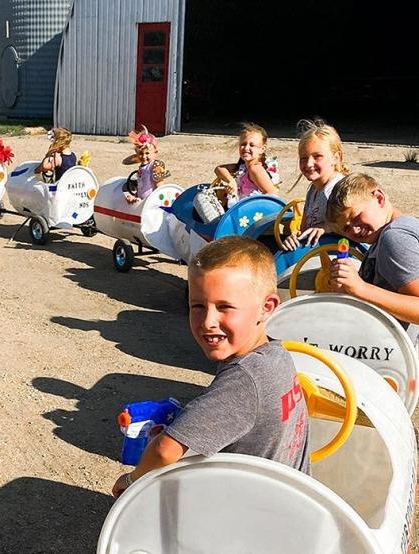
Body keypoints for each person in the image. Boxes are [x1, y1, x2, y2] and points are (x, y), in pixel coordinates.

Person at [112, 236, 310, 498]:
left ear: (266, 308)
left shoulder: (244, 379)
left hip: (252, 518)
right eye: (198, 306)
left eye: (225, 307)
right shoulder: (276, 354)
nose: (208, 321)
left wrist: (131, 480)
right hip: (290, 500)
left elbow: (165, 451)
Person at [326, 173, 419, 338]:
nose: (354, 230)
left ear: (379, 198)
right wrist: (347, 288)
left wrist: (361, 288)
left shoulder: (395, 238)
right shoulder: (383, 236)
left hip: (403, 357)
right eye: (346, 228)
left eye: (356, 217)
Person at [282, 120, 348, 250]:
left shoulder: (339, 190)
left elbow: (357, 230)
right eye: (304, 158)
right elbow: (305, 229)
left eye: (317, 156)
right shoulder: (313, 189)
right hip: (315, 256)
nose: (308, 164)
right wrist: (295, 239)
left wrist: (327, 227)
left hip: (340, 259)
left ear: (336, 157)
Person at [214, 122, 280, 207]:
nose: (246, 148)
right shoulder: (244, 166)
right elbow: (219, 169)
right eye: (243, 144)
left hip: (252, 215)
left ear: (262, 149)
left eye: (252, 145)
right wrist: (231, 181)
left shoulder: (255, 169)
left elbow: (272, 194)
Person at [121, 126, 171, 203]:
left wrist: (156, 202)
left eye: (147, 153)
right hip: (142, 202)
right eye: (141, 153)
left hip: (151, 202)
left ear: (155, 153)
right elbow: (141, 186)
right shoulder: (142, 167)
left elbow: (159, 188)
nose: (144, 157)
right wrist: (135, 196)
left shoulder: (156, 165)